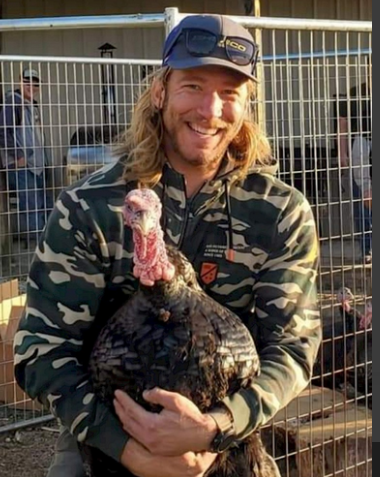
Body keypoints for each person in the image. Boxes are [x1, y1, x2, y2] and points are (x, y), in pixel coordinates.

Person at [14, 14, 321, 477]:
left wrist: (215, 427)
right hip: (104, 438)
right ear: (160, 91)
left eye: (229, 93)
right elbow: (41, 350)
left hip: (230, 437)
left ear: (246, 106)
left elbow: (294, 351)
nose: (210, 110)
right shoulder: (89, 206)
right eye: (193, 86)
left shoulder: (280, 212)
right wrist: (130, 449)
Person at [0, 68, 52, 244]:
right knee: (32, 208)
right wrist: (18, 155)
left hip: (37, 165)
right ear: (19, 81)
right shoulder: (12, 103)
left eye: (35, 83)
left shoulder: (32, 105)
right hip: (23, 166)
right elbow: (2, 133)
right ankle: (42, 250)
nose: (32, 85)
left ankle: (48, 244)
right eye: (27, 81)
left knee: (44, 205)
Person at [337, 80, 372, 263]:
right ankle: (368, 249)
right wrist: (342, 153)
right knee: (364, 199)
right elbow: (342, 125)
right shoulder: (355, 93)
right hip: (362, 147)